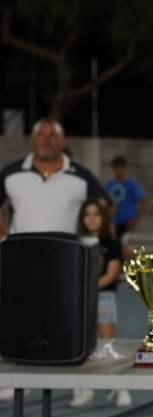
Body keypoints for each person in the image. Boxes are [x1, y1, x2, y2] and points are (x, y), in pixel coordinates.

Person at [0, 117, 111, 402]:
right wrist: (4, 237)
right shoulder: (11, 173)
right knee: (20, 318)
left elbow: (104, 205)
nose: (47, 140)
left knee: (69, 321)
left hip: (66, 266)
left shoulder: (81, 175)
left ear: (62, 142)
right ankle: (14, 379)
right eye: (41, 135)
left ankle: (79, 383)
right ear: (32, 140)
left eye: (53, 136)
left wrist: (91, 233)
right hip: (21, 264)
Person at [70, 198, 132, 408]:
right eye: (87, 214)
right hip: (79, 299)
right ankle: (82, 390)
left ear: (103, 218)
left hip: (103, 297)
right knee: (80, 346)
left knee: (107, 345)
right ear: (82, 219)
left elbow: (111, 274)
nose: (92, 219)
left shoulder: (111, 244)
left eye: (96, 214)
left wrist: (87, 286)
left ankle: (120, 388)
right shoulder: (76, 243)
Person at [105, 155, 146, 261]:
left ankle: (134, 267)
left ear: (125, 168)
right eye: (116, 167)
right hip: (114, 222)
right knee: (115, 247)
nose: (118, 170)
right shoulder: (110, 185)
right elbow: (106, 203)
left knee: (123, 245)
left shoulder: (131, 184)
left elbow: (142, 200)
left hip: (128, 222)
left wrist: (136, 218)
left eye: (121, 167)